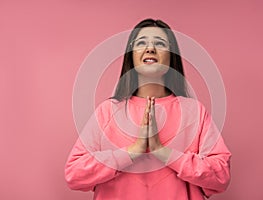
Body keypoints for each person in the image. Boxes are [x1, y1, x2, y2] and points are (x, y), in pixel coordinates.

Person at [65, 18, 231, 200]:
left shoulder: (194, 112)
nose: (150, 48)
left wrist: (162, 152)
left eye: (159, 43)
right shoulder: (108, 111)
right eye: (141, 43)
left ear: (171, 56)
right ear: (131, 55)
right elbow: (74, 174)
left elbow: (220, 176)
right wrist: (133, 152)